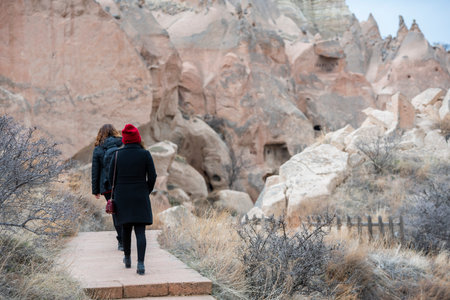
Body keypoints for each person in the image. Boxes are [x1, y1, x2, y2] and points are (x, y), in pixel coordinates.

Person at [109, 124, 157, 275]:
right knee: (140, 231)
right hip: (140, 195)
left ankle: (127, 258)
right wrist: (146, 190)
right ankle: (141, 264)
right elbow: (153, 176)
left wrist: (118, 191)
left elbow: (111, 178)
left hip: (122, 196)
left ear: (125, 139)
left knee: (126, 228)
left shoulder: (116, 155)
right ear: (137, 138)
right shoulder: (145, 154)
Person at [91, 124, 123, 250]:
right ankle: (126, 236)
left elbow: (95, 171)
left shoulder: (98, 149)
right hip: (122, 184)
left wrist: (96, 191)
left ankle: (121, 240)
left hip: (107, 187)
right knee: (124, 210)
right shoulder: (121, 144)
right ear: (115, 132)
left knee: (115, 212)